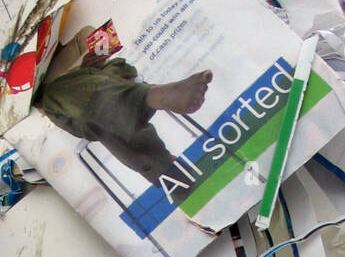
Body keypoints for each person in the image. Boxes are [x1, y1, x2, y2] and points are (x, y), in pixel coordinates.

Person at [36, 26, 213, 190]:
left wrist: (86, 68)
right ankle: (154, 96)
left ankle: (168, 173)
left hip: (103, 86)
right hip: (65, 100)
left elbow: (114, 63)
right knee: (59, 94)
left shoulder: (78, 44)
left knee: (99, 118)